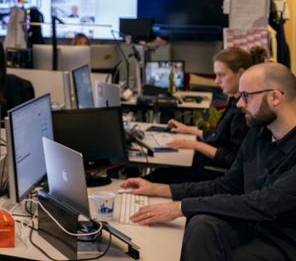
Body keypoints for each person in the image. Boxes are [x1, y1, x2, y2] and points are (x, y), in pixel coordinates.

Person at [121, 62, 296, 260]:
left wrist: (180, 207)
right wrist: (158, 189)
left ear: (275, 97)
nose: (239, 104)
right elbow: (226, 185)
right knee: (201, 224)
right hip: (251, 224)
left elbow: (262, 204)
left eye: (246, 96)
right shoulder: (258, 134)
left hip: (281, 239)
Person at [152, 46, 268, 182]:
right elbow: (219, 137)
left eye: (221, 75)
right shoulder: (233, 101)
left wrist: (195, 145)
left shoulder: (243, 112)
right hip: (205, 164)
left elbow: (230, 158)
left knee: (156, 176)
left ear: (241, 74)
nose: (216, 81)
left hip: (212, 173)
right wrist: (189, 130)